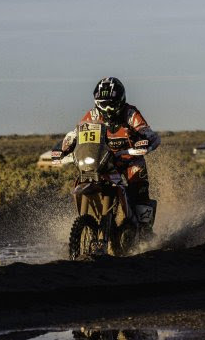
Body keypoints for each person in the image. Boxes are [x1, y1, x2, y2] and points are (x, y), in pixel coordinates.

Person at [62, 77, 161, 233]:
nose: (107, 109)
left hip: (130, 160)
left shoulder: (130, 114)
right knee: (85, 178)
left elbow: (149, 134)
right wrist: (66, 147)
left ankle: (145, 232)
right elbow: (77, 133)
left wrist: (145, 142)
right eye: (103, 104)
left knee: (138, 192)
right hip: (104, 161)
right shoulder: (93, 115)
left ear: (120, 100)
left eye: (111, 104)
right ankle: (94, 224)